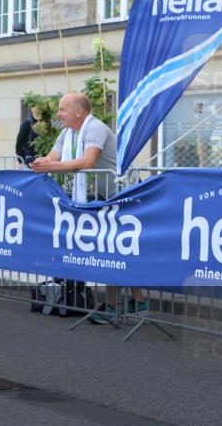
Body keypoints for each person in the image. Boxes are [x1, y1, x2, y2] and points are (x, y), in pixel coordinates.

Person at [31, 92, 146, 321]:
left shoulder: (95, 129)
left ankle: (121, 304)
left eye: (63, 109)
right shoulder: (68, 133)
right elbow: (51, 158)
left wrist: (50, 167)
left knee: (113, 248)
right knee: (113, 249)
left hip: (129, 193)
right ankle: (134, 302)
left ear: (79, 112)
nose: (58, 114)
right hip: (110, 195)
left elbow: (87, 162)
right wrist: (39, 163)